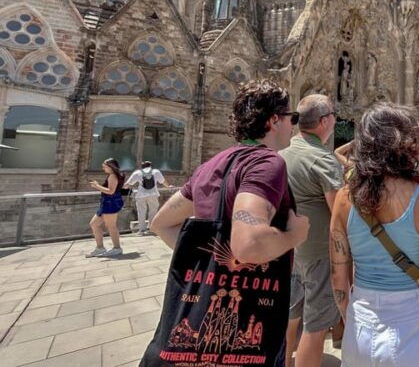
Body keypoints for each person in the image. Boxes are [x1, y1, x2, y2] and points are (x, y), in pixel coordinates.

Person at [149, 79, 310, 363]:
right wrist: (295, 236)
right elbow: (249, 244)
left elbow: (160, 224)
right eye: (292, 118)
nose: (294, 126)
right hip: (251, 312)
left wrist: (211, 262)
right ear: (274, 120)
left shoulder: (211, 166)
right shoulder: (267, 163)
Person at [329, 102, 419, 367]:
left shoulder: (344, 197)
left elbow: (338, 278)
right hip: (413, 328)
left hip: (360, 327)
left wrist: (352, 320)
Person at [280, 94, 343, 367]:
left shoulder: (282, 154)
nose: (335, 120)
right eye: (333, 115)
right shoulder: (322, 159)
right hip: (318, 253)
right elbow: (340, 214)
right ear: (324, 121)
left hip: (289, 249)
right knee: (315, 326)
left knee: (290, 316)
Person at [86, 158, 126, 257]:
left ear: (111, 167)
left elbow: (111, 191)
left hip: (110, 203)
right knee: (94, 224)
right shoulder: (116, 175)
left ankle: (117, 248)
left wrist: (97, 186)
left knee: (111, 226)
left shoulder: (112, 176)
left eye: (105, 167)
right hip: (107, 203)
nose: (103, 168)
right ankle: (100, 248)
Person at [123, 161, 171, 235]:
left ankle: (142, 230)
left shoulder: (137, 173)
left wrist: (123, 187)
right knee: (153, 211)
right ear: (150, 166)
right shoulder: (156, 172)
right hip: (153, 194)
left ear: (142, 167)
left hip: (141, 195)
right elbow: (163, 181)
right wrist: (168, 186)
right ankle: (151, 229)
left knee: (141, 212)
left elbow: (127, 184)